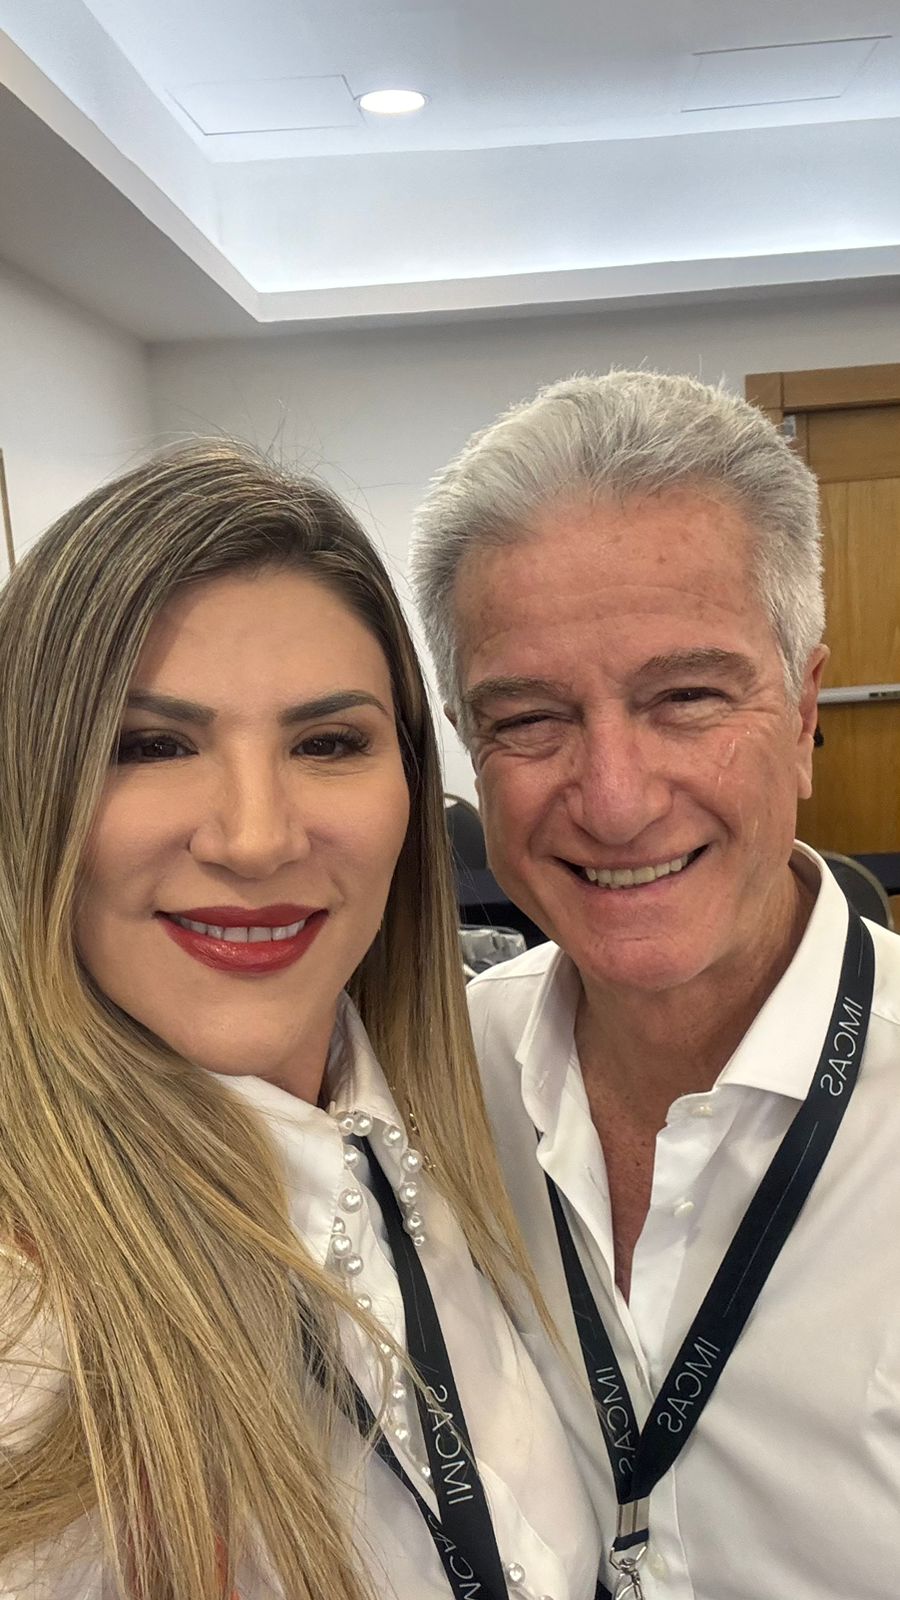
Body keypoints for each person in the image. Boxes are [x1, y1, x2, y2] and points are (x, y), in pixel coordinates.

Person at [0, 443, 602, 1600]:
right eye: (151, 744)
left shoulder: (476, 1133)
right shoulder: (31, 1331)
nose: (257, 837)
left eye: (328, 743)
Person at [411, 370, 900, 1600]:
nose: (617, 799)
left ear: (803, 713)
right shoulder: (425, 1090)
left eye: (686, 697)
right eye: (530, 718)